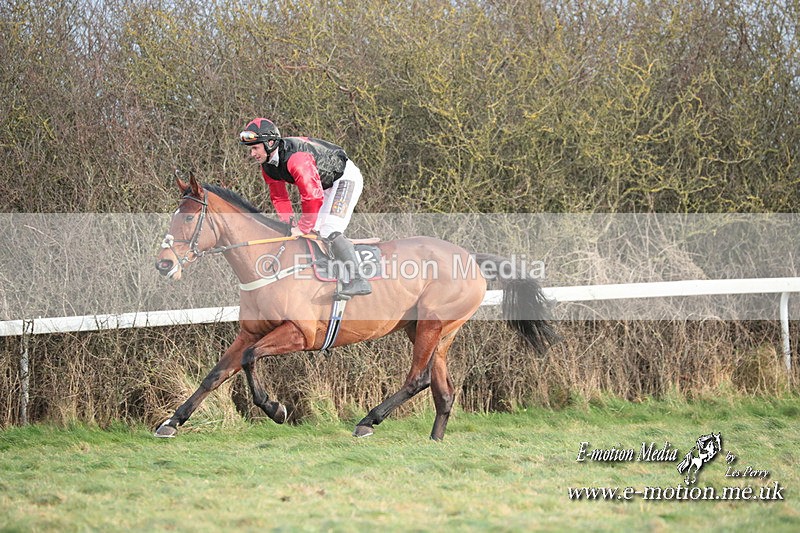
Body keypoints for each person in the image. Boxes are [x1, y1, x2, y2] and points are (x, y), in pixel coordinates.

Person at [239, 117, 371, 296]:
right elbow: (279, 197)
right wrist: (289, 224)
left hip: (344, 179)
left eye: (255, 148)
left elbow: (313, 197)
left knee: (328, 229)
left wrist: (302, 227)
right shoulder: (268, 166)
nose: (252, 154)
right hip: (322, 184)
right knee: (313, 232)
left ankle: (358, 280)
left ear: (270, 143)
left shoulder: (297, 159)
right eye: (251, 149)